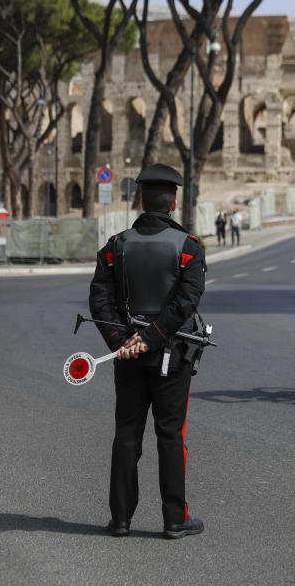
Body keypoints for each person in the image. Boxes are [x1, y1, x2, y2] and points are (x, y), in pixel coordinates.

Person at [89, 163, 207, 540]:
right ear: (173, 202)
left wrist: (121, 341)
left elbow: (100, 301)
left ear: (141, 199)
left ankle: (120, 519)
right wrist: (153, 336)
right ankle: (175, 520)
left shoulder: (115, 247)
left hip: (127, 356)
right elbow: (186, 303)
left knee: (127, 435)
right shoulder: (189, 248)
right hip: (172, 356)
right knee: (171, 437)